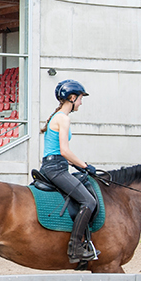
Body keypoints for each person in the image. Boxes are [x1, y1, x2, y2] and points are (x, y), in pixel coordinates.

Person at [40, 79, 100, 263]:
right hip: (55, 168)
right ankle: (75, 248)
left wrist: (78, 165)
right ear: (72, 98)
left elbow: (62, 152)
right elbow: (64, 151)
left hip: (57, 165)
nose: (81, 103)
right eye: (81, 98)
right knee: (88, 201)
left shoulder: (57, 116)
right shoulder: (63, 118)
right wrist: (84, 165)